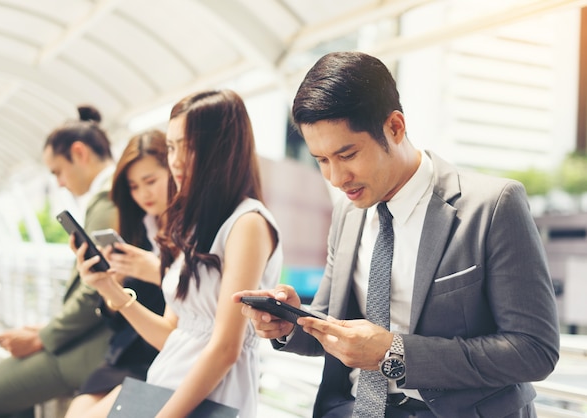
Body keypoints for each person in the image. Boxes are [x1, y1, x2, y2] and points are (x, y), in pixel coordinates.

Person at [234, 51, 560, 418]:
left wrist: (395, 352)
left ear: (395, 127)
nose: (336, 178)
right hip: (354, 408)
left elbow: (534, 350)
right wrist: (290, 323)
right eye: (321, 160)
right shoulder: (347, 211)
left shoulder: (493, 205)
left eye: (348, 154)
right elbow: (332, 325)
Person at [74, 89, 283, 417]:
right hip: (165, 386)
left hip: (209, 399)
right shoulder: (192, 225)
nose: (177, 159)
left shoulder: (248, 224)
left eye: (190, 146)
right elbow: (173, 336)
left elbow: (226, 349)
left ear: (223, 148)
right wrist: (108, 288)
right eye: (172, 147)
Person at [0, 105, 118, 418]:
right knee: (2, 380)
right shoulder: (111, 196)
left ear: (80, 153)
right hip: (94, 337)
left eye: (58, 171)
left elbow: (98, 288)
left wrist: (43, 337)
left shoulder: (108, 201)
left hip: (95, 346)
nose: (59, 183)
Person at [64, 130, 168, 417]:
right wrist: (111, 285)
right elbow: (114, 316)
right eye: (134, 186)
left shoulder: (190, 232)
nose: (143, 194)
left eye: (150, 181)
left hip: (160, 356)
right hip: (125, 353)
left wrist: (159, 272)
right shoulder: (138, 228)